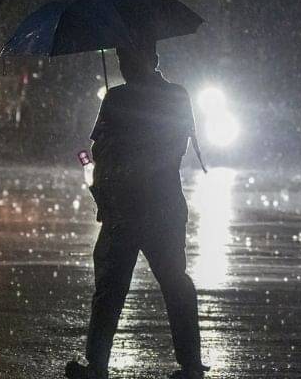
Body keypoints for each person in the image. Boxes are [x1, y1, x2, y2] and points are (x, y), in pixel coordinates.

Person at [66, 43, 207, 379]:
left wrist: (119, 147)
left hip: (138, 207)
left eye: (130, 58)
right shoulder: (157, 96)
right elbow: (103, 149)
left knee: (120, 287)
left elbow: (104, 149)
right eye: (121, 59)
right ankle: (185, 366)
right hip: (152, 205)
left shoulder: (128, 98)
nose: (125, 65)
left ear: (152, 59)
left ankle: (101, 364)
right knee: (141, 285)